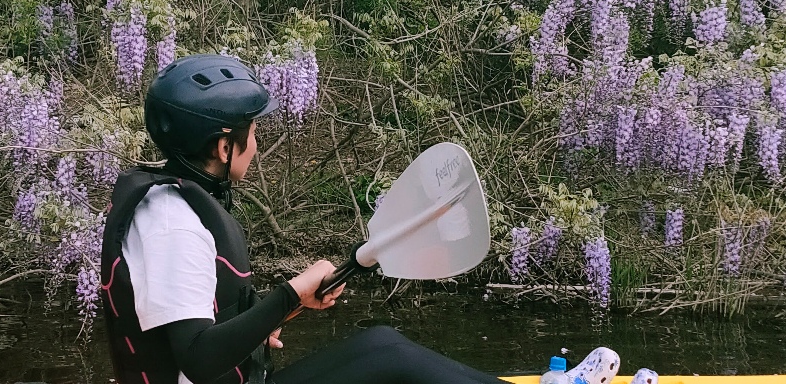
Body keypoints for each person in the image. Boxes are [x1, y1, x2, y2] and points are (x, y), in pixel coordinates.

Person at [100, 54, 615, 384]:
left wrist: (270, 319)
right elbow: (196, 357)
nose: (256, 144)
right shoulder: (169, 222)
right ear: (222, 144)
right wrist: (287, 296)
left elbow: (204, 323)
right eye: (250, 132)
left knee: (380, 342)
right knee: (390, 359)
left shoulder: (182, 199)